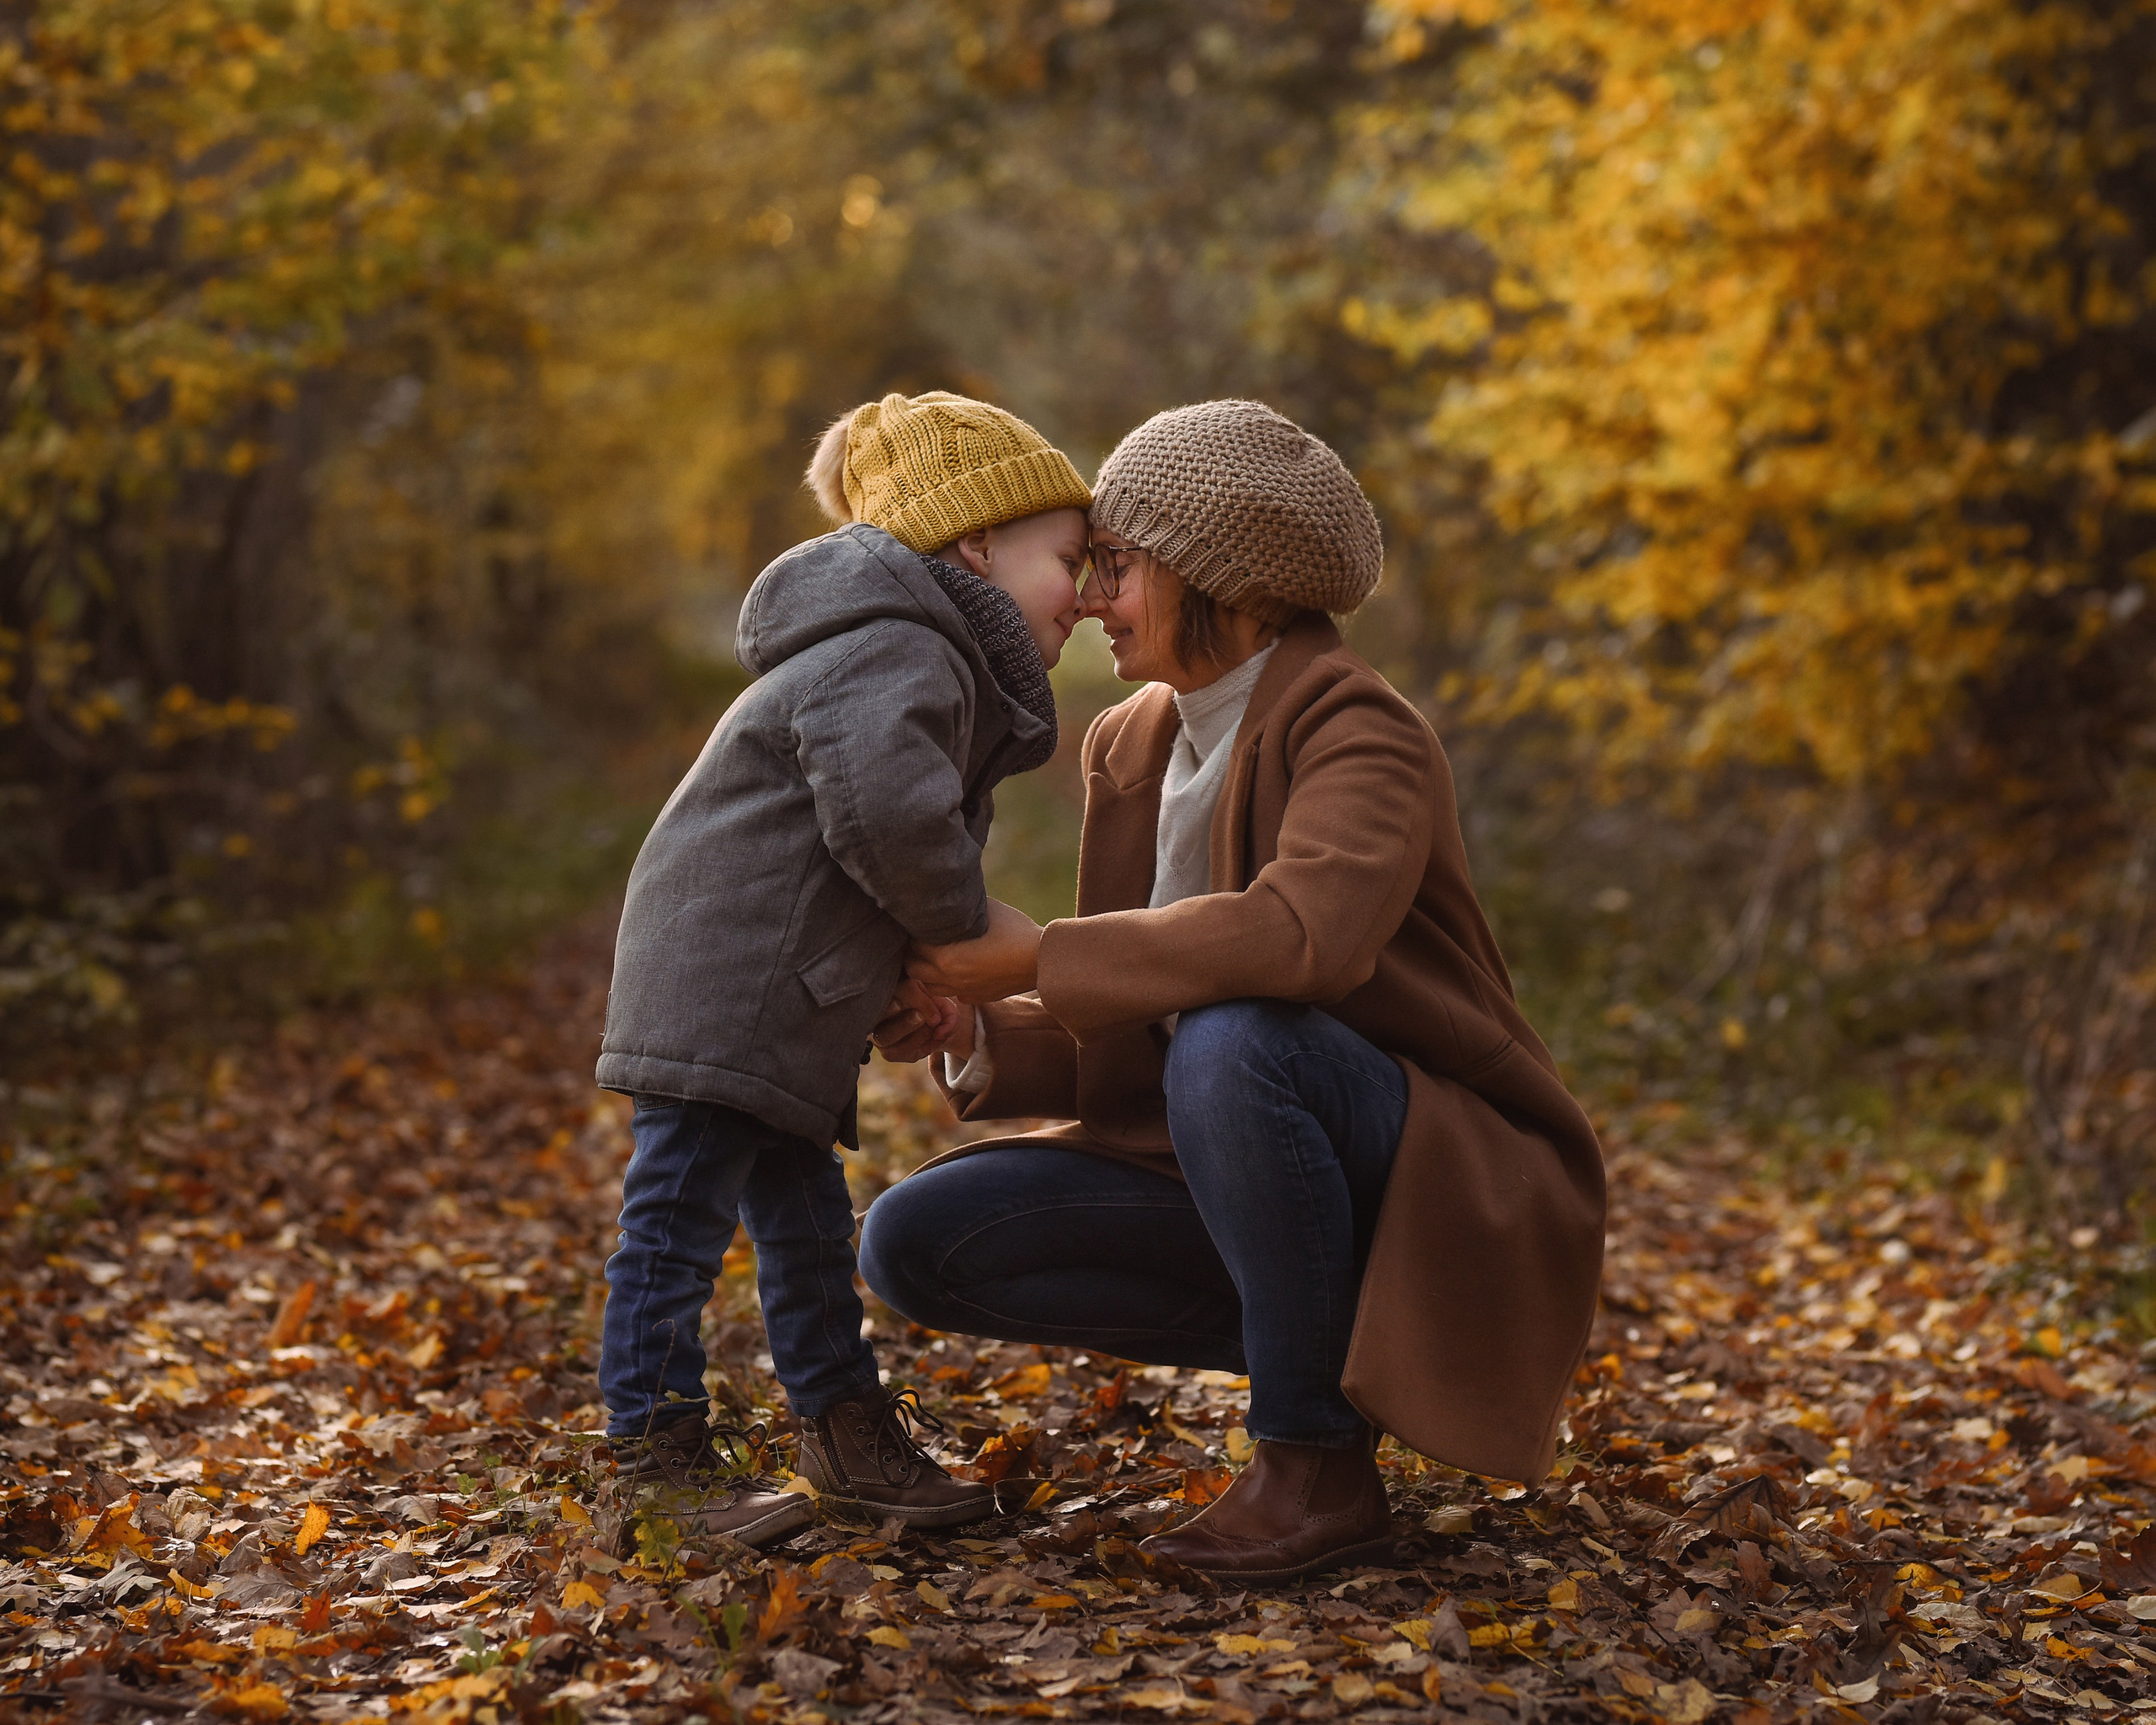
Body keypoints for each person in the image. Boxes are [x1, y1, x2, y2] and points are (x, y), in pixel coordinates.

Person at [861, 399, 1608, 1583]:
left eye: (1119, 566)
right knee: (914, 1241)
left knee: (1239, 1040)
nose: (1094, 597)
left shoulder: (1361, 729)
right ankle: (1327, 1348)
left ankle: (1315, 1462)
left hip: (1424, 1162)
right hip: (1233, 1145)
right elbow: (1143, 1019)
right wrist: (981, 1028)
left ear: (1229, 583)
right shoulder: (1129, 742)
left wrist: (1036, 956)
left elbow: (1302, 942)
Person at [593, 390, 1088, 1543]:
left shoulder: (913, 646)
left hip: (780, 998)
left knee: (807, 1228)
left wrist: (902, 975)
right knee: (674, 1223)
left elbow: (851, 855)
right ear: (977, 543)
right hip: (727, 986)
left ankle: (844, 1433)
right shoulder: (897, 643)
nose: (1089, 592)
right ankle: (650, 1470)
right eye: (1070, 557)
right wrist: (958, 936)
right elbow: (884, 811)